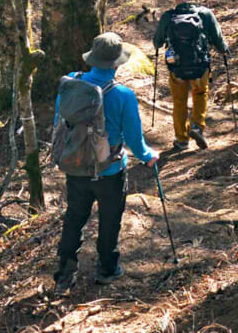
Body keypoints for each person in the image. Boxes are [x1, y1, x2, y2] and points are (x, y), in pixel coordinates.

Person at [52, 33, 159, 294]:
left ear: (92, 57)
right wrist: (148, 156)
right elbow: (134, 139)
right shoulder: (123, 95)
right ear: (116, 64)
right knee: (110, 219)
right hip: (110, 170)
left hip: (75, 165)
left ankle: (65, 275)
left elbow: (59, 121)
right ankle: (107, 269)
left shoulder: (70, 85)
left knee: (74, 217)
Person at [153, 0, 229, 151]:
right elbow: (217, 39)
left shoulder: (168, 16)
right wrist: (224, 50)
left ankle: (181, 139)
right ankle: (197, 126)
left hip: (177, 68)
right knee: (200, 94)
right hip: (200, 66)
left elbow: (157, 43)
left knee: (179, 101)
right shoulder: (205, 14)